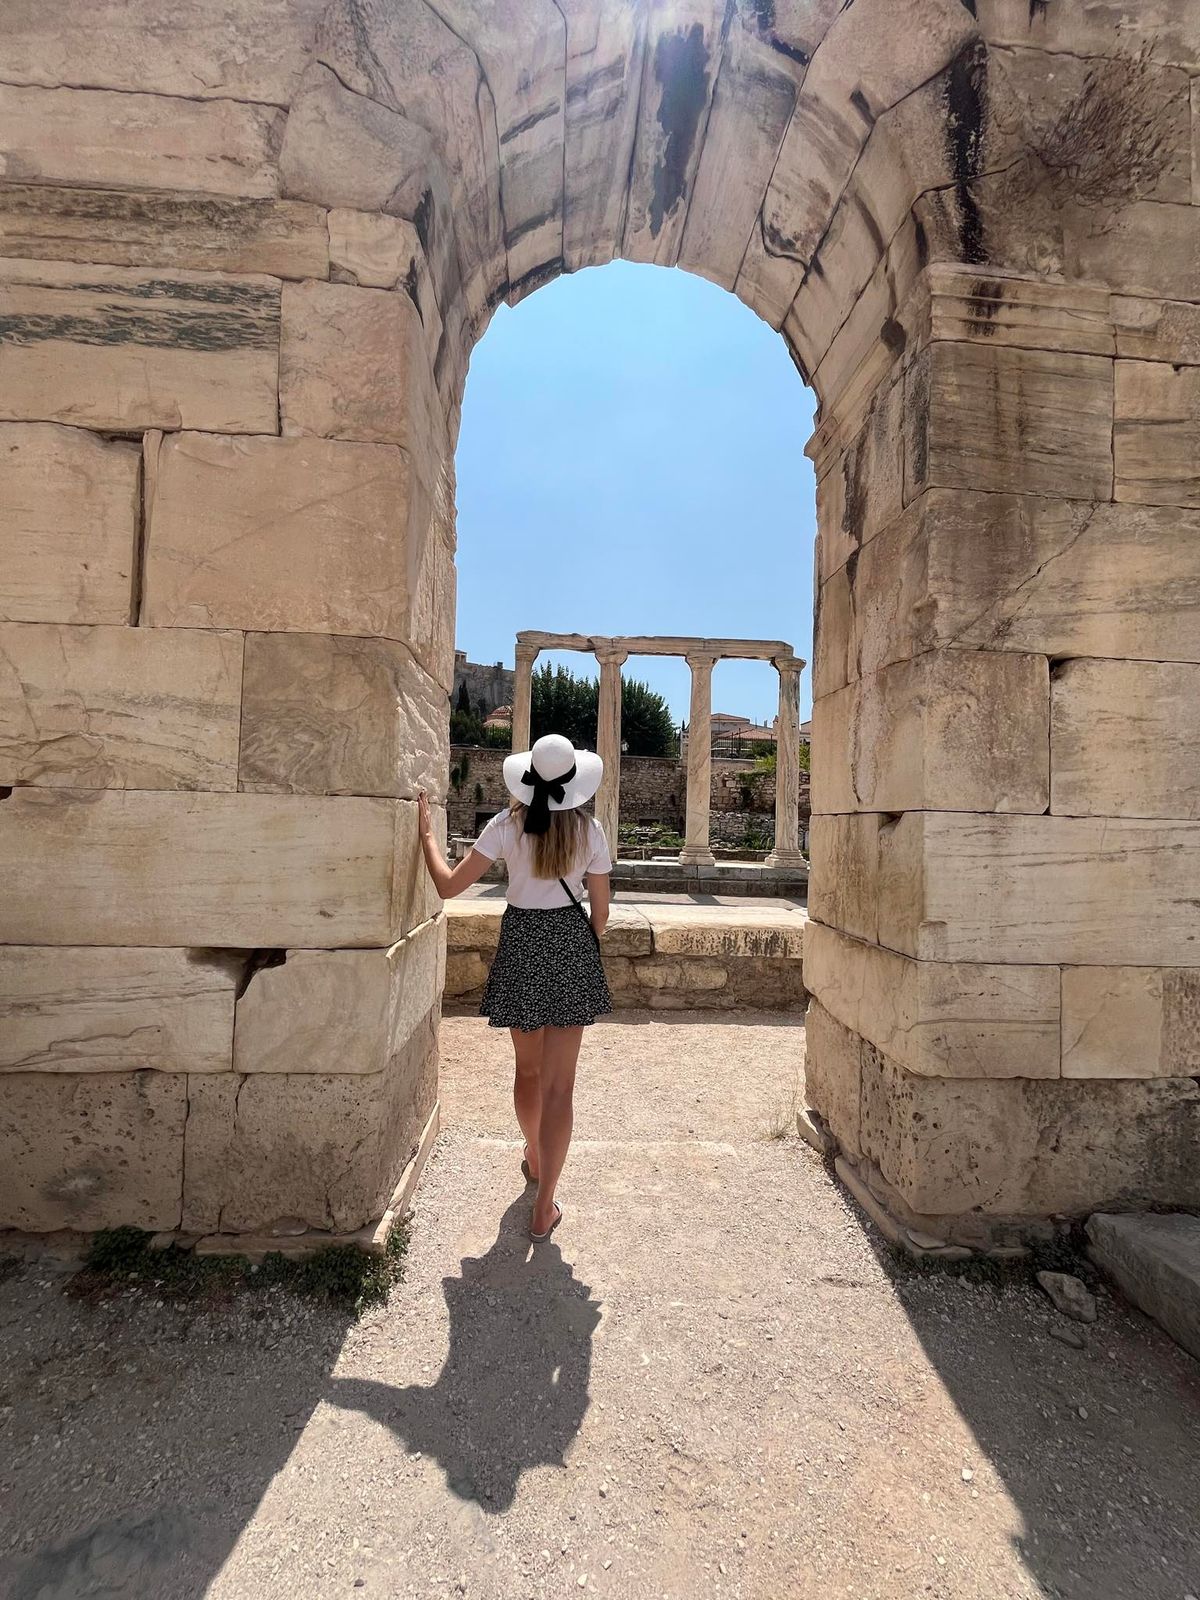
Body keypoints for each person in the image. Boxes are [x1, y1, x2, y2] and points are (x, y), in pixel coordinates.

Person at [417, 732, 613, 1242]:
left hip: (522, 941)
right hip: (570, 945)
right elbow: (600, 915)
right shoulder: (590, 831)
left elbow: (448, 886)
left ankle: (533, 1153)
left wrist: (429, 838)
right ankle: (544, 1206)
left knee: (527, 1071)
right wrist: (579, 947)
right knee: (560, 1087)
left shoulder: (506, 826)